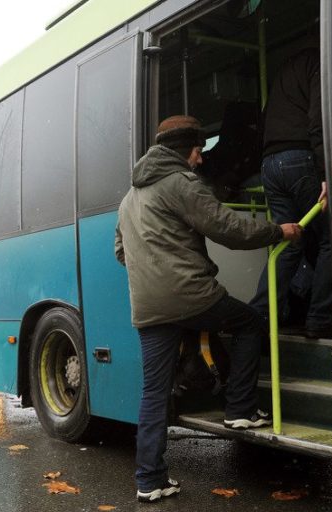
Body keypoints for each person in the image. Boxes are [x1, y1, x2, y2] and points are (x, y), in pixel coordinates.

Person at [115, 116, 302, 503]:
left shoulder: (129, 198)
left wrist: (155, 269)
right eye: (199, 150)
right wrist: (277, 231)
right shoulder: (181, 182)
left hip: (148, 306)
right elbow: (225, 227)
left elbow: (121, 252)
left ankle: (149, 481)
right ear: (184, 149)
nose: (200, 159)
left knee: (153, 391)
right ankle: (240, 407)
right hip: (190, 295)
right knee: (250, 322)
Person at [249, 47, 332, 339]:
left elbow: (262, 122)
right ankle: (320, 320)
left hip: (270, 164)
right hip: (300, 157)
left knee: (287, 242)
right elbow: (318, 119)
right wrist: (325, 173)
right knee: (330, 241)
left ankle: (259, 317)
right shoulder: (318, 59)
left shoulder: (285, 69)